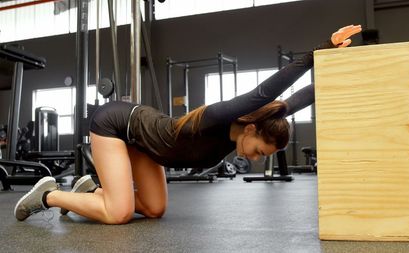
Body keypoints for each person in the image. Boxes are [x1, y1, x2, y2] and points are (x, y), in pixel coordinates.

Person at [14, 25, 362, 224]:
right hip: (117, 125)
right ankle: (48, 194)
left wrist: (340, 66)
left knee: (154, 209)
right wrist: (319, 50)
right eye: (258, 151)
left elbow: (297, 99)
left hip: (145, 143)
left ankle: (90, 191)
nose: (256, 158)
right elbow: (265, 92)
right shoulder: (220, 118)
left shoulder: (259, 126)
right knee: (118, 213)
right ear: (252, 130)